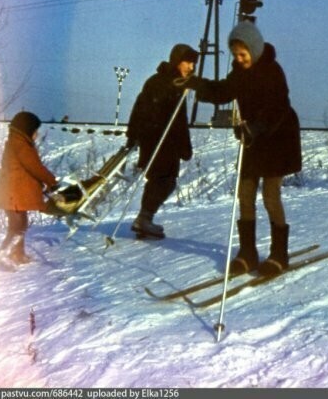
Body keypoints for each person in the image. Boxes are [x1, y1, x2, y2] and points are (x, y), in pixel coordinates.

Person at [177, 21, 302, 276]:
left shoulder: (272, 71)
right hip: (253, 139)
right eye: (235, 55)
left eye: (243, 54)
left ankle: (280, 253)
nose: (239, 58)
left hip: (278, 137)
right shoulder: (239, 73)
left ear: (254, 50)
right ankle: (248, 253)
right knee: (245, 193)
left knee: (270, 195)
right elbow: (223, 91)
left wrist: (256, 127)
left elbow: (278, 108)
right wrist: (196, 84)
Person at [125, 44, 197, 239]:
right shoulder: (174, 84)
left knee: (158, 180)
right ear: (177, 61)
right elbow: (178, 121)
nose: (191, 67)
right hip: (163, 141)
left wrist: (133, 134)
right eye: (188, 62)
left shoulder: (156, 80)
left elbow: (138, 108)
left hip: (153, 140)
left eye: (193, 63)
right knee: (165, 181)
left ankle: (144, 218)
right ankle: (144, 218)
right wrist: (185, 148)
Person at [0, 111, 59, 265]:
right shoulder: (21, 145)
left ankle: (17, 254)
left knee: (20, 224)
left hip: (14, 193)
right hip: (13, 194)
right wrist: (51, 181)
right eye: (35, 130)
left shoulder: (17, 142)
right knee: (18, 226)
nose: (37, 134)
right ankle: (3, 255)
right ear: (27, 130)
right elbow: (35, 167)